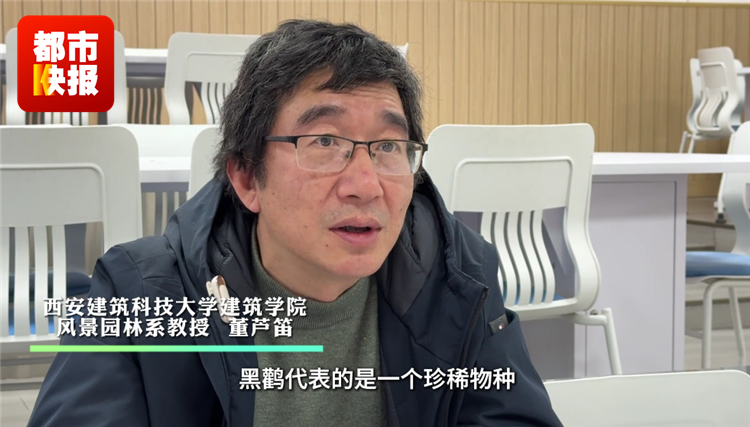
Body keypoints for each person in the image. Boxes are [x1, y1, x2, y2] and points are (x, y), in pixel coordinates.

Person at [27, 20, 563, 427]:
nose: (366, 184)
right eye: (324, 141)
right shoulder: (137, 296)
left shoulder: (459, 277)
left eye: (388, 146)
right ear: (246, 176)